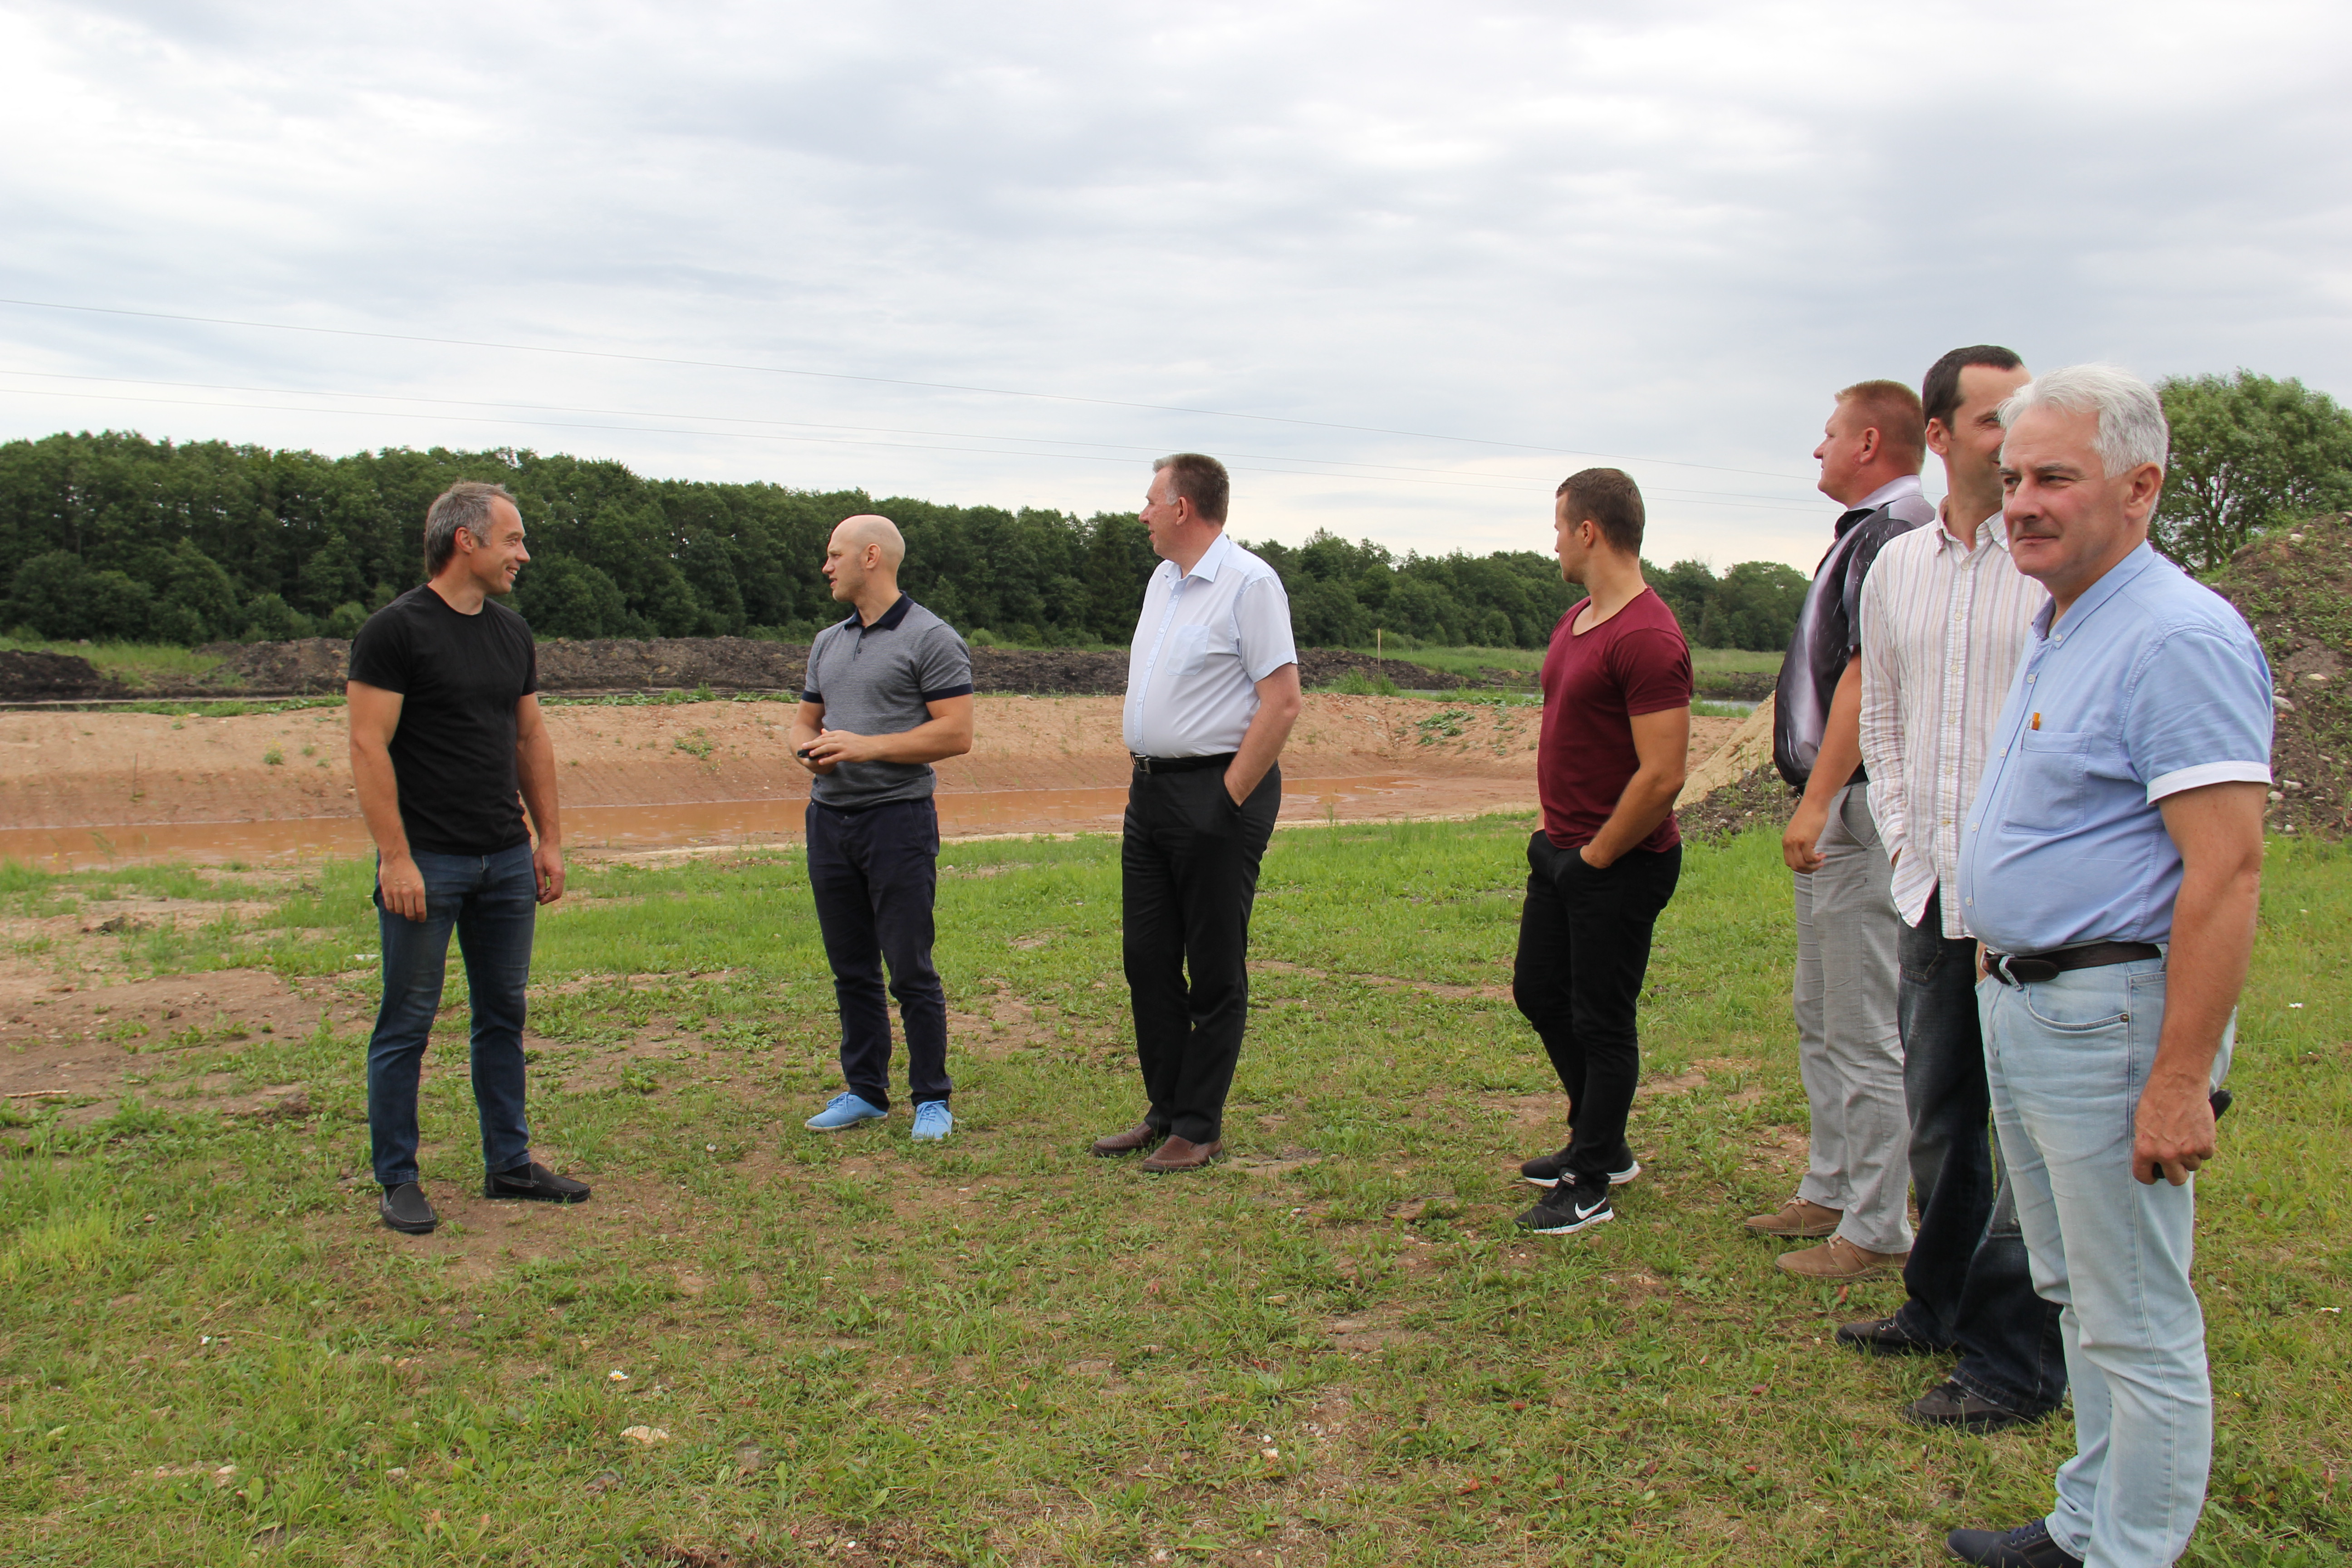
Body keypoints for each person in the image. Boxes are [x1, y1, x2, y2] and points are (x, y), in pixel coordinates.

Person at [1944, 366, 2270, 1568]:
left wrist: (2180, 1081)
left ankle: (2131, 1553)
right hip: (2032, 1002)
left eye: (2054, 478)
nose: (2021, 502)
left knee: (2134, 1313)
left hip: (2112, 1016)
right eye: (2013, 477)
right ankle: (2085, 1525)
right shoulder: (2068, 620)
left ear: (2141, 488)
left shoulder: (2177, 638)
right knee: (2077, 1290)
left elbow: (2226, 872)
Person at [1847, 345, 2066, 1432]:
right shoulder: (1900, 568)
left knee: (2030, 1141)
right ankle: (1935, 1304)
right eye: (1992, 419)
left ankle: (2012, 1357)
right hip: (1934, 893)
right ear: (1938, 437)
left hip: (2031, 909)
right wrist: (1904, 843)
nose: (2013, 435)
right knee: (1940, 1117)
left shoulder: (2055, 566)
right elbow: (1881, 714)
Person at [348, 480, 584, 1236]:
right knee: (407, 1023)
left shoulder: (512, 633)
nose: (524, 554)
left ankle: (509, 1164)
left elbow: (529, 738)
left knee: (503, 1015)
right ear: (466, 541)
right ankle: (398, 1179)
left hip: (505, 861)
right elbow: (368, 745)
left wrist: (547, 841)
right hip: (428, 864)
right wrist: (396, 859)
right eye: (513, 539)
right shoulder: (394, 632)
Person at [1750, 380, 1934, 1278]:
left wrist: (1820, 797)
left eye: (1829, 435)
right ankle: (1830, 1186)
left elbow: (1865, 677)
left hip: (1855, 808)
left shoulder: (1895, 532)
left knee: (1862, 1025)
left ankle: (1876, 1227)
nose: (1817, 449)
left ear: (1868, 443)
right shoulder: (1868, 530)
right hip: (1839, 806)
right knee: (1821, 1010)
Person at [1092, 454, 1300, 1172]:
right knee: (1147, 959)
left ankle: (1199, 1126)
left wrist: (1228, 797)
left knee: (1213, 965)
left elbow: (1283, 702)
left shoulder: (1250, 584)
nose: (1142, 513)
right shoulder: (1162, 581)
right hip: (1150, 792)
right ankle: (1165, 1111)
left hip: (1218, 791)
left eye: (1151, 500)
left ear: (1183, 508)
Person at [1511, 469, 1692, 1236]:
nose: (1554, 541)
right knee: (1539, 993)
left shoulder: (1647, 635)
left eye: (1559, 526)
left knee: (1602, 1020)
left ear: (1589, 530)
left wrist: (1596, 858)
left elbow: (1664, 775)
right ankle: (1601, 1141)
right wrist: (1555, 844)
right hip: (1560, 852)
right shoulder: (1577, 620)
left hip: (1620, 861)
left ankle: (1589, 1184)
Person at [791, 515, 975, 1140]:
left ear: (871, 557)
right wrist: (807, 751)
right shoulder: (828, 641)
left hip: (898, 822)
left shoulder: (932, 637)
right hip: (829, 820)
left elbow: (956, 733)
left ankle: (932, 1099)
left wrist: (865, 747)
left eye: (834, 554)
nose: (826, 566)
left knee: (909, 968)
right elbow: (804, 721)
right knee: (851, 968)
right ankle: (866, 1091)